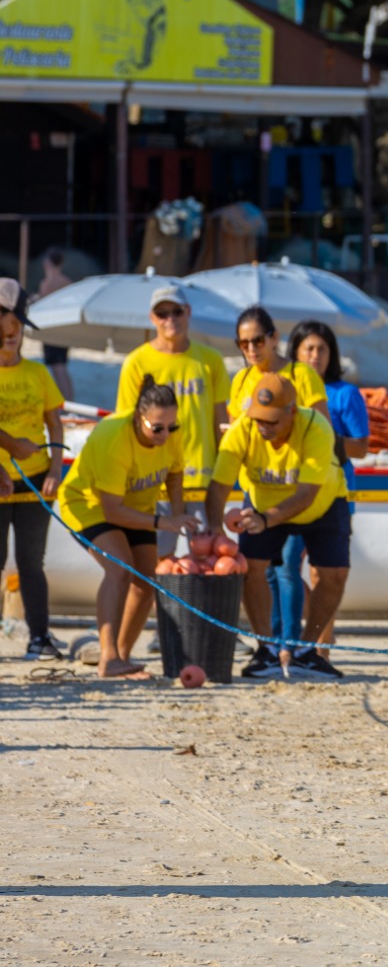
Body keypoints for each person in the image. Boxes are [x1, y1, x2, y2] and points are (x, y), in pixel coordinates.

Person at [206, 374, 351, 679]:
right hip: (264, 504)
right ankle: (267, 650)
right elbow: (218, 487)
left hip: (321, 503)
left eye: (271, 420)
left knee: (334, 576)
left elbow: (306, 494)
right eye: (259, 418)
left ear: (292, 412)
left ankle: (307, 651)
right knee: (250, 570)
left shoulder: (317, 428)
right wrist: (214, 532)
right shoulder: (243, 429)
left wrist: (264, 519)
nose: (263, 426)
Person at [58, 376, 195, 679]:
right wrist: (164, 522)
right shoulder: (113, 437)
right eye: (156, 428)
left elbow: (174, 475)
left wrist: (178, 514)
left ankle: (122, 657)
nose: (165, 434)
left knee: (146, 581)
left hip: (136, 508)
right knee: (120, 570)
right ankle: (108, 658)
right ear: (138, 418)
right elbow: (112, 511)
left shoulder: (172, 434)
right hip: (88, 505)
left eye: (171, 427)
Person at [272, 322, 370, 654]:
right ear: (295, 354)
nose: (315, 356)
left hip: (335, 490)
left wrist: (323, 439)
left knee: (321, 572)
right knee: (283, 567)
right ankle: (294, 640)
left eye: (322, 349)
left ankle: (321, 648)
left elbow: (361, 447)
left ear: (332, 354)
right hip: (291, 490)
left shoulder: (345, 394)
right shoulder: (282, 390)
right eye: (308, 349)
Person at [0, 280, 65, 659]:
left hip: (34, 478)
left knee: (31, 561)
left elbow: (55, 424)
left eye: (18, 330)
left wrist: (55, 469)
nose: (12, 336)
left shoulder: (38, 373)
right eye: (8, 329)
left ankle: (39, 636)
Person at [116, 283, 228, 498]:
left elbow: (220, 419)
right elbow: (127, 422)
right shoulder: (136, 363)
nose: (170, 319)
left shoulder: (211, 359)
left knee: (208, 533)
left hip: (202, 478)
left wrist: (223, 472)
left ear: (188, 311)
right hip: (154, 481)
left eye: (177, 312)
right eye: (162, 314)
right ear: (152, 318)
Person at [228, 306, 328, 422]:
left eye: (258, 341)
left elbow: (323, 430)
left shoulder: (302, 375)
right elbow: (233, 431)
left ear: (274, 337)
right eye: (244, 343)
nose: (251, 349)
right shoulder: (241, 379)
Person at [35, 251, 74, 401]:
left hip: (52, 328)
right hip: (64, 326)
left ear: (47, 263)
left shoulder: (47, 283)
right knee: (62, 366)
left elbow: (45, 306)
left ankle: (67, 402)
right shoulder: (67, 281)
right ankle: (69, 400)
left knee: (58, 368)